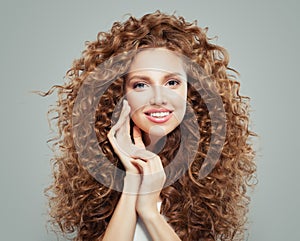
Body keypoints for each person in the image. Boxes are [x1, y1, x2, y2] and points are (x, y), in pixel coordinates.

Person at [44, 11, 256, 241]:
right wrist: (132, 181)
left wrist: (148, 211)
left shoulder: (206, 175)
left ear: (191, 92)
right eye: (141, 84)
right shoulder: (99, 174)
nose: (158, 98)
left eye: (172, 82)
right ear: (119, 95)